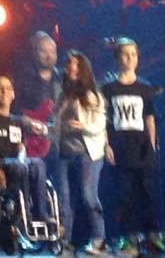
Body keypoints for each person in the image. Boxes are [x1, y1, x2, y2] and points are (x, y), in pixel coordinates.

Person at [100, 38, 165, 254]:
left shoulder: (145, 88)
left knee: (148, 192)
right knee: (125, 195)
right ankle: (129, 238)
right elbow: (103, 119)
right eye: (125, 54)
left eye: (133, 54)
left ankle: (152, 236)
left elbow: (149, 117)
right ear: (117, 58)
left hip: (142, 147)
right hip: (120, 147)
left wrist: (152, 143)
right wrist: (106, 145)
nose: (129, 58)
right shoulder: (108, 89)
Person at [0, 74, 51, 239]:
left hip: (16, 164)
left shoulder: (16, 121)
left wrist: (22, 155)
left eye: (8, 89)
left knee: (38, 164)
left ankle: (41, 214)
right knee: (19, 166)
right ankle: (24, 217)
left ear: (13, 94)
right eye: (0, 88)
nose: (4, 92)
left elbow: (21, 147)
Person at [55, 50, 107, 254]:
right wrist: (48, 131)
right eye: (67, 64)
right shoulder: (63, 95)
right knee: (65, 199)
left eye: (73, 64)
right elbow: (58, 124)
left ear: (82, 69)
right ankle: (64, 240)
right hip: (65, 154)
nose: (69, 67)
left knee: (88, 195)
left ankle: (99, 238)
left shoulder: (92, 95)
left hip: (87, 153)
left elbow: (100, 124)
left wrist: (82, 126)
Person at [16, 31, 62, 159]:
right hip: (32, 140)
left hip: (57, 141)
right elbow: (11, 109)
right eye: (44, 51)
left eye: (53, 51)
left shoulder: (62, 80)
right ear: (34, 53)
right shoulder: (23, 78)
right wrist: (25, 120)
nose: (49, 55)